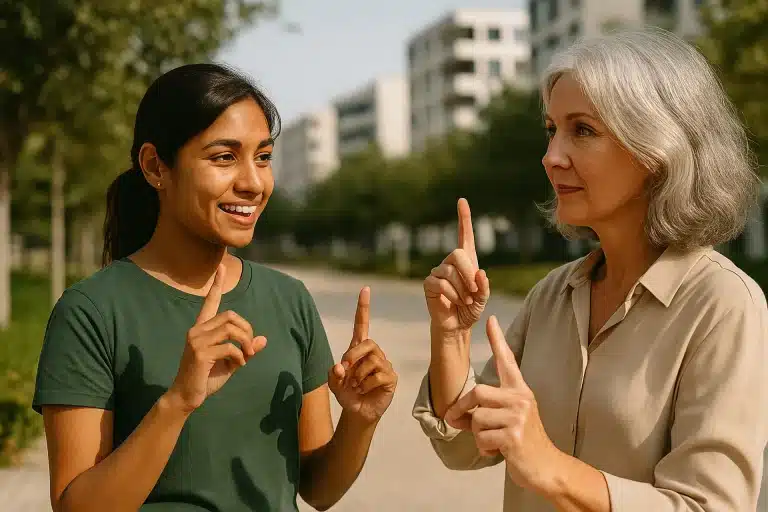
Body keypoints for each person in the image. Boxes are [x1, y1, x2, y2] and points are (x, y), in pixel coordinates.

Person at [413, 29, 768, 511]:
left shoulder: (723, 305)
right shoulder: (553, 294)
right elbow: (463, 445)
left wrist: (549, 465)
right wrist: (451, 336)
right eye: (551, 129)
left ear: (656, 150)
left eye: (582, 130)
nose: (551, 156)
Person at [33, 63, 398, 512]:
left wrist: (359, 422)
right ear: (154, 167)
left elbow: (317, 490)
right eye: (224, 157)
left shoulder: (290, 300)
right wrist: (177, 403)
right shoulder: (91, 311)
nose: (253, 183)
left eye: (262, 157)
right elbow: (76, 507)